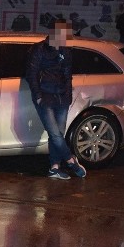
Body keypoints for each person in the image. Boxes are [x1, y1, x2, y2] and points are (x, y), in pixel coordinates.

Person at [26, 20, 87, 180]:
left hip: (61, 97)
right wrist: (38, 96)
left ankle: (54, 167)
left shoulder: (66, 52)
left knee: (58, 133)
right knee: (54, 133)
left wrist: (68, 96)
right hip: (45, 97)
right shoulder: (39, 49)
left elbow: (68, 75)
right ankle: (71, 161)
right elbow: (31, 74)